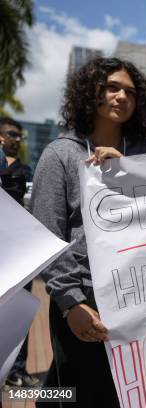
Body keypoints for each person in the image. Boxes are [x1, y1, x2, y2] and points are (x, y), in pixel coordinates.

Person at [31, 57, 146, 408]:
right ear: (90, 94)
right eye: (111, 88)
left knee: (142, 391)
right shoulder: (59, 153)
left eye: (131, 92)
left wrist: (131, 172)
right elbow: (47, 233)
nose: (122, 97)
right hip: (85, 296)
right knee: (82, 394)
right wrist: (70, 302)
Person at [0, 116, 38, 388]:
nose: (17, 140)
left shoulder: (28, 170)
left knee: (21, 312)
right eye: (12, 134)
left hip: (22, 253)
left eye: (19, 136)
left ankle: (17, 370)